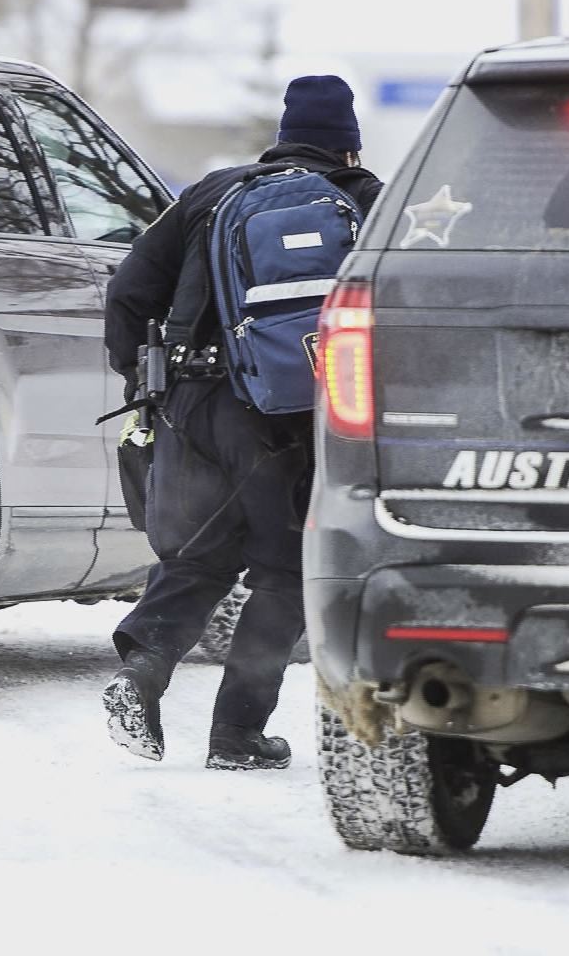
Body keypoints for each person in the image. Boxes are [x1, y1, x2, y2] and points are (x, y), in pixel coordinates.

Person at [100, 75, 383, 770]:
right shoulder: (364, 200)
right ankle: (236, 735)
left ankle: (140, 675)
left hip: (195, 404)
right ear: (348, 145)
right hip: (294, 415)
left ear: (284, 134)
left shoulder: (212, 194)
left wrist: (142, 379)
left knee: (198, 557)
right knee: (284, 572)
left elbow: (129, 292)